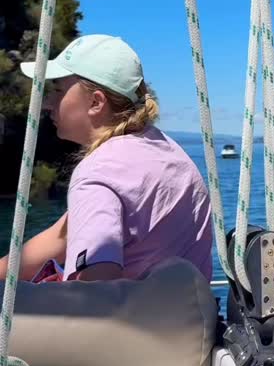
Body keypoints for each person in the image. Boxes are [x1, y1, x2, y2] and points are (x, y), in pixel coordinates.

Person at [0, 34, 213, 283]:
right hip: (189, 316)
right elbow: (60, 237)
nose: (47, 103)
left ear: (95, 102)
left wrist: (67, 288)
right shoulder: (169, 153)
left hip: (133, 320)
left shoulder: (99, 171)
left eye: (57, 91)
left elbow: (99, 286)